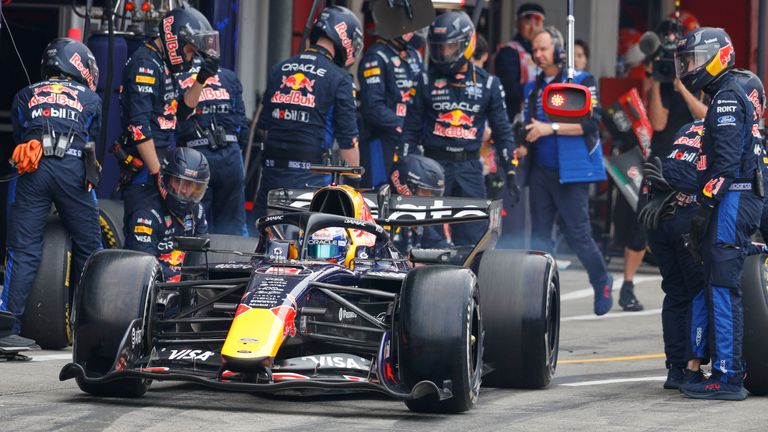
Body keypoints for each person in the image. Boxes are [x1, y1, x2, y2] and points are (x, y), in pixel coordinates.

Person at [676, 28, 764, 401]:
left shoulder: (727, 97)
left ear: (717, 57)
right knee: (719, 281)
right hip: (746, 194)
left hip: (735, 195)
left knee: (724, 287)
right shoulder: (745, 83)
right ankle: (720, 368)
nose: (688, 68)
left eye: (693, 60)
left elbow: (725, 166)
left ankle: (728, 376)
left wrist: (704, 208)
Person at [0, 38, 102, 347]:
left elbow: (20, 132)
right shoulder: (91, 99)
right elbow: (91, 140)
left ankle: (7, 328)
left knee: (23, 249)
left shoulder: (24, 94)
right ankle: (92, 326)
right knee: (91, 248)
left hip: (32, 167)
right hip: (72, 167)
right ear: (80, 65)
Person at [401, 10, 519, 247]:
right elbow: (410, 131)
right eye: (439, 47)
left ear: (467, 44)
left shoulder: (489, 83)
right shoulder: (424, 81)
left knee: (473, 240)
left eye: (450, 47)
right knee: (430, 238)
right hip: (432, 168)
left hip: (470, 168)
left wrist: (510, 170)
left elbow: (503, 131)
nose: (444, 53)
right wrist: (403, 166)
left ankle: (470, 282)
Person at [522, 27, 613, 316]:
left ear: (560, 52)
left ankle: (602, 281)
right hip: (540, 170)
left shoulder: (583, 81)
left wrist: (551, 128)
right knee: (538, 237)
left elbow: (591, 124)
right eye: (534, 50)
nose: (538, 55)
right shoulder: (531, 87)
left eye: (543, 49)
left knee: (579, 235)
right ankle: (539, 296)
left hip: (572, 171)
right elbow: (528, 127)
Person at [620, 18, 708, 312]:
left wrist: (683, 88)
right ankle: (627, 286)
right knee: (644, 218)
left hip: (693, 156)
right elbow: (657, 122)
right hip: (662, 155)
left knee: (691, 219)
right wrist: (658, 82)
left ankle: (693, 280)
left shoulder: (702, 80)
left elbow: (704, 119)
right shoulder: (660, 75)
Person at [255, 6, 363, 222]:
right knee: (305, 246)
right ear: (346, 40)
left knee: (260, 241)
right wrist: (355, 186)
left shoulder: (280, 69)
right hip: (309, 180)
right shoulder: (340, 79)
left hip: (270, 176)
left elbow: (264, 126)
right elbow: (348, 144)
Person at [119, 6, 219, 234]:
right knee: (143, 232)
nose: (191, 57)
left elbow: (180, 113)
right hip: (145, 169)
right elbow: (138, 126)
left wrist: (201, 78)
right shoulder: (145, 64)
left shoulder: (162, 64)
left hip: (163, 163)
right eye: (191, 51)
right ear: (175, 41)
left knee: (170, 236)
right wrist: (157, 175)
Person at [490, 3, 544, 248]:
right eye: (527, 20)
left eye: (537, 21)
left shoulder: (542, 53)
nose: (532, 26)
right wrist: (536, 90)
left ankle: (537, 244)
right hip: (515, 129)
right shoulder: (509, 52)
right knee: (514, 189)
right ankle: (511, 244)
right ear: (517, 23)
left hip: (540, 129)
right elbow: (508, 90)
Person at [176, 61, 249, 236]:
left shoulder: (177, 76)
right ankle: (234, 261)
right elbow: (243, 126)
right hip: (230, 154)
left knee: (192, 223)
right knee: (232, 227)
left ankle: (189, 261)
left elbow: (173, 120)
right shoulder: (228, 75)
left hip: (194, 155)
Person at [124, 147, 209, 282]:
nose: (184, 190)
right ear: (166, 179)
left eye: (190, 184)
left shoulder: (197, 212)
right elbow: (143, 267)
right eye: (179, 182)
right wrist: (181, 280)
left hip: (185, 286)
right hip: (148, 286)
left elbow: (201, 257)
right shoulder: (145, 215)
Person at [358, 29, 423, 189]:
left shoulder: (415, 56)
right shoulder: (376, 56)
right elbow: (373, 107)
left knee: (406, 191)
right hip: (380, 140)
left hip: (408, 140)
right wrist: (403, 125)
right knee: (378, 191)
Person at [388, 154, 447, 251]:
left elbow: (440, 247)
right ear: (403, 185)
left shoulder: (419, 217)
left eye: (432, 193)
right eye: (424, 192)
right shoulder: (382, 216)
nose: (429, 198)